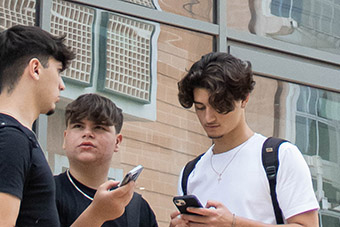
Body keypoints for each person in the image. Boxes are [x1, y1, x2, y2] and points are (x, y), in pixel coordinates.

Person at [0, 25, 135, 227]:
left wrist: (97, 215)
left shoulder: (14, 137)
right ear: (36, 69)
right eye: (58, 71)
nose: (62, 85)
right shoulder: (11, 139)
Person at [170, 52, 319, 226]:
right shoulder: (190, 173)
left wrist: (233, 223)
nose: (208, 118)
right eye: (200, 107)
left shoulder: (280, 157)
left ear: (244, 99)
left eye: (219, 106)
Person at [55, 93, 158, 227]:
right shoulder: (44, 192)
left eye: (99, 127)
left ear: (117, 142)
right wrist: (96, 215)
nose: (87, 133)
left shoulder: (137, 208)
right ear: (65, 137)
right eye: (78, 126)